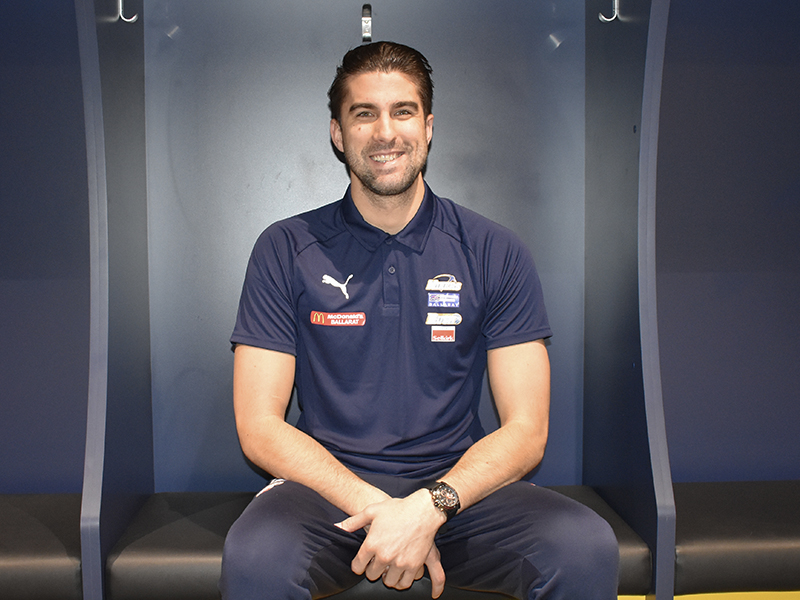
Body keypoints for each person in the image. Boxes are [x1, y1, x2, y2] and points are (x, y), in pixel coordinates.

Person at [220, 41, 618, 600]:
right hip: (326, 497)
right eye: (364, 114)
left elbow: (527, 431)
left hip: (457, 497)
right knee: (256, 558)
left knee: (584, 547)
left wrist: (429, 507)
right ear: (338, 133)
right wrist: (381, 510)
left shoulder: (493, 250)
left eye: (402, 111)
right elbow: (259, 427)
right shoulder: (286, 247)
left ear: (428, 128)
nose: (385, 132)